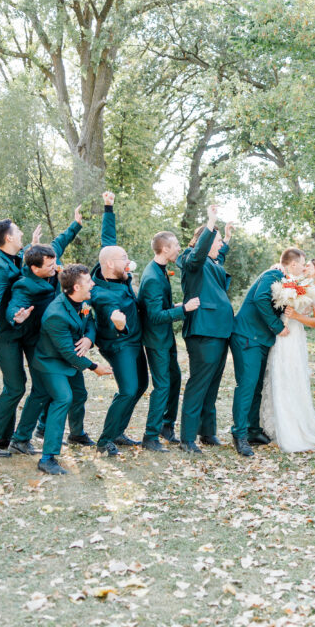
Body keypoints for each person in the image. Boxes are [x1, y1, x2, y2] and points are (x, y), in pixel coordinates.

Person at [0, 208, 82, 457]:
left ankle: (20, 438)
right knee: (15, 387)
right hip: (6, 333)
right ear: (8, 238)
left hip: (30, 332)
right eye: (18, 231)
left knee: (43, 385)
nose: (22, 232)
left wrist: (74, 226)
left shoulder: (23, 255)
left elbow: (54, 247)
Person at [28, 264, 113, 475]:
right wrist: (95, 367)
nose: (92, 284)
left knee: (79, 395)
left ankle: (77, 434)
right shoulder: (56, 314)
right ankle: (47, 458)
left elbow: (89, 321)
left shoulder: (82, 301)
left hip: (69, 361)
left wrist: (88, 339)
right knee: (63, 398)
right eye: (88, 281)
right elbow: (68, 352)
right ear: (76, 287)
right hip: (51, 362)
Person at [229, 248, 302, 457]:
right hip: (247, 336)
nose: (304, 268)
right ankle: (239, 434)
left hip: (260, 340)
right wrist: (277, 327)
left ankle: (252, 430)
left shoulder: (285, 282)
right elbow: (261, 299)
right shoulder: (273, 275)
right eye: (302, 264)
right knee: (247, 386)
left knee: (256, 387)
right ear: (293, 264)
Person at [4, 245, 75, 455]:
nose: (56, 266)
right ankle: (22, 437)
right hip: (35, 343)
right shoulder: (25, 285)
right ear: (35, 269)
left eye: (55, 262)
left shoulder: (52, 274)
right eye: (50, 264)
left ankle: (28, 435)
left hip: (52, 342)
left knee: (44, 391)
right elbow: (15, 305)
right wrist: (16, 316)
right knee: (43, 390)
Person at [90, 193, 146, 456]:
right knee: (128, 390)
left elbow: (108, 242)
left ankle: (118, 431)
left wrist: (109, 209)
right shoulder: (100, 293)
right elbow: (109, 311)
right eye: (124, 258)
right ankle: (105, 440)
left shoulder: (118, 274)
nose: (128, 261)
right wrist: (118, 323)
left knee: (141, 385)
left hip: (135, 341)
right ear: (111, 264)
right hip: (118, 344)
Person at [177, 205, 234, 454]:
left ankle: (207, 432)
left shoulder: (211, 262)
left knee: (212, 384)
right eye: (217, 240)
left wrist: (228, 240)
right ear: (205, 239)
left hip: (220, 331)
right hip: (203, 331)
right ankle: (187, 438)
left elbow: (216, 260)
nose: (220, 244)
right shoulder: (191, 259)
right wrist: (211, 223)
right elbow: (200, 255)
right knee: (199, 383)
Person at [259, 258, 315, 452]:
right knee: (277, 375)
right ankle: (273, 426)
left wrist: (295, 315)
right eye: (303, 264)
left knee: (291, 377)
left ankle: (294, 428)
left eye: (308, 265)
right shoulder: (294, 283)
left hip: (294, 334)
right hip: (281, 333)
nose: (304, 267)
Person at [138, 230, 199, 452]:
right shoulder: (153, 277)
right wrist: (184, 309)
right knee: (162, 385)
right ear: (165, 249)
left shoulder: (161, 270)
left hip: (165, 337)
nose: (178, 250)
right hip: (156, 340)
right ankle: (150, 436)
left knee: (174, 379)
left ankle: (166, 427)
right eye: (176, 246)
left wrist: (173, 307)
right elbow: (154, 316)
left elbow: (157, 307)